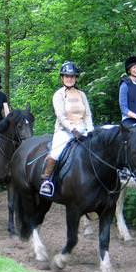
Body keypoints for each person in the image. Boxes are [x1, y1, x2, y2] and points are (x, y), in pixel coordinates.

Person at [39, 61, 94, 197]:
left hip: (82, 129)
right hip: (64, 131)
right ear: (62, 78)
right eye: (66, 76)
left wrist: (91, 130)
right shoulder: (58, 95)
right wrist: (72, 129)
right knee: (56, 152)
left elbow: (87, 114)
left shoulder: (81, 94)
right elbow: (61, 116)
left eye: (72, 76)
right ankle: (47, 180)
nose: (69, 79)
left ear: (75, 78)